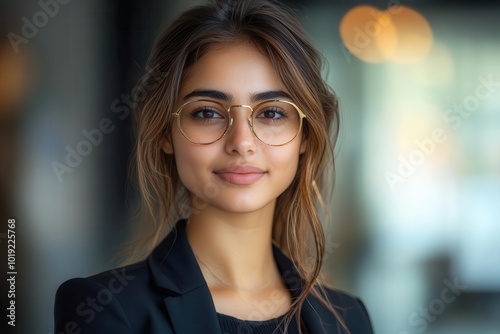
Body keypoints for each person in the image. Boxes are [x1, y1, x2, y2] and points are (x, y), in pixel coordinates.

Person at [54, 0, 374, 333]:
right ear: (165, 132)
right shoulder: (104, 309)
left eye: (272, 113)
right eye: (207, 112)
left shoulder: (349, 317)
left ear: (305, 135)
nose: (242, 141)